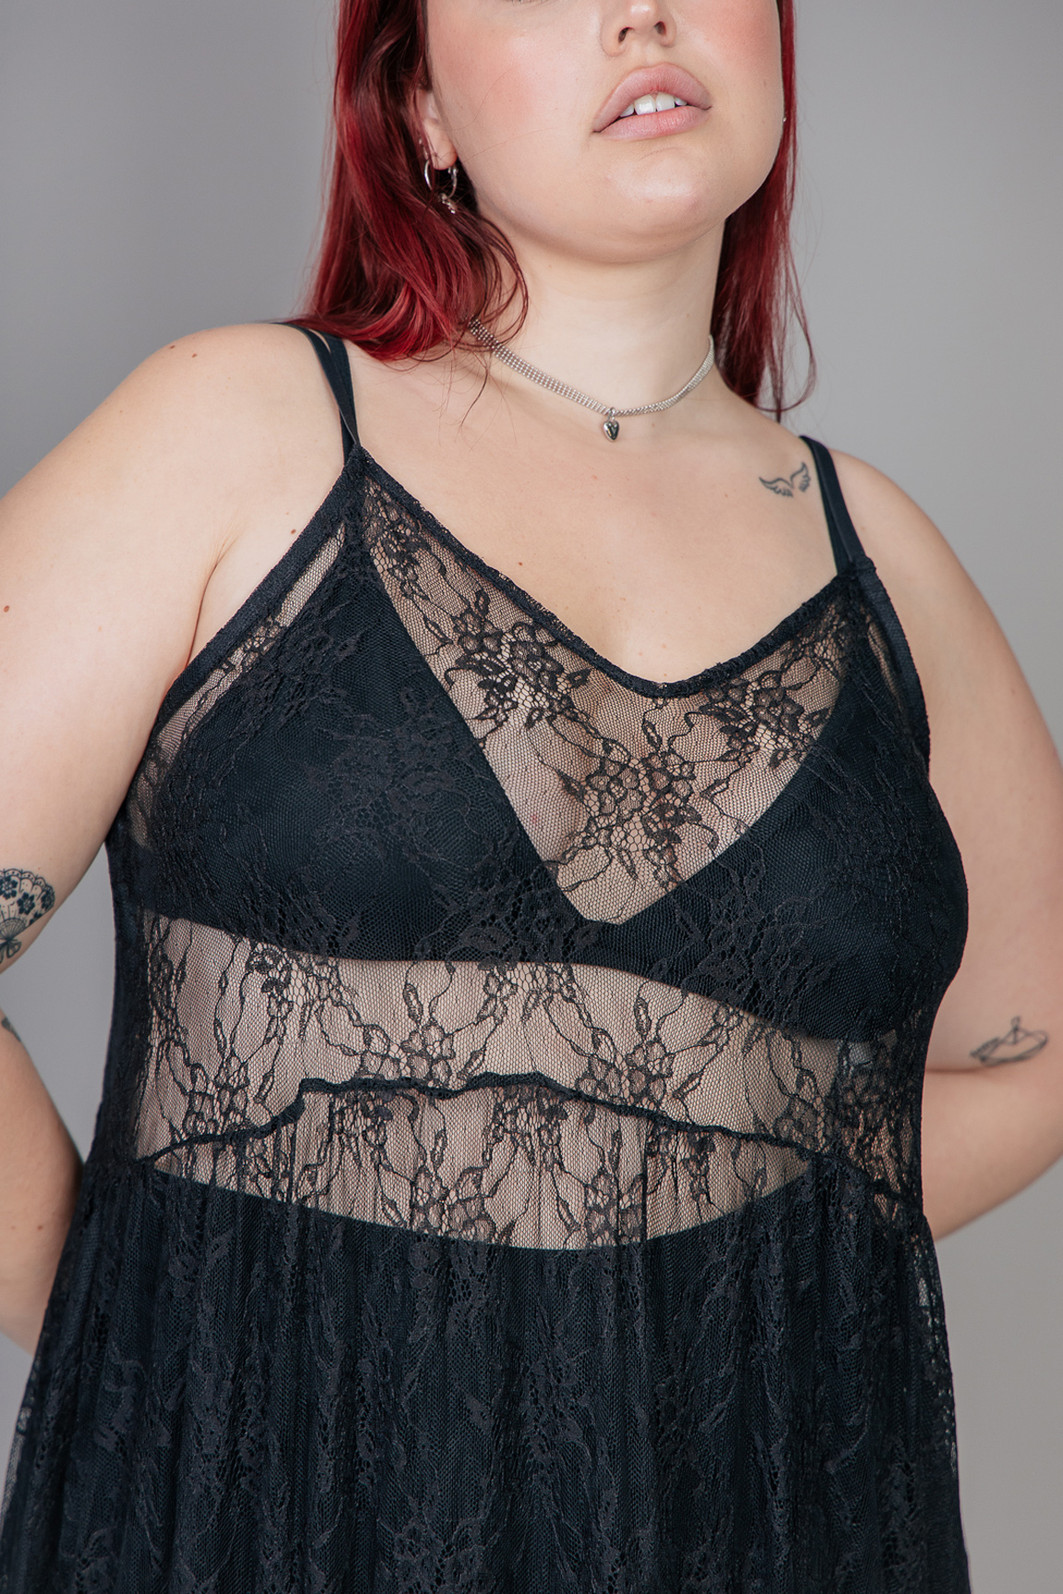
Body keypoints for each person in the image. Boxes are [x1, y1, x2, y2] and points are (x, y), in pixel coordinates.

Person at [1, 0, 1061, 1586]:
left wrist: (693, 1310)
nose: (641, 12)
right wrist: (144, 1335)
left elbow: (1035, 1059)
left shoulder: (886, 564)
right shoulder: (235, 431)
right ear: (418, 108)